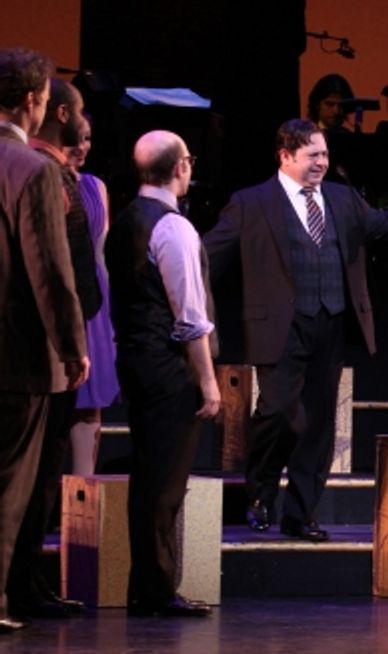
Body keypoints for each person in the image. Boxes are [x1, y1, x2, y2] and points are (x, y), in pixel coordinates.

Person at [205, 119, 388, 542]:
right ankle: (260, 492)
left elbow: (387, 224)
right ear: (286, 157)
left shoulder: (342, 198)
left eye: (325, 153)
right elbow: (208, 255)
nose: (322, 162)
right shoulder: (251, 203)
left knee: (319, 423)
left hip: (331, 322)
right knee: (278, 413)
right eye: (313, 155)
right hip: (280, 326)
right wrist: (169, 267)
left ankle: (300, 513)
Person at [107, 130, 218, 617]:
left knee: (150, 477)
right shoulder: (173, 227)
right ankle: (154, 590)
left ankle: (147, 587)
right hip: (168, 367)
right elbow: (190, 316)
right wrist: (209, 381)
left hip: (135, 358)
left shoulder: (126, 218)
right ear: (180, 168)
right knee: (165, 484)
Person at [0, 47, 89, 635]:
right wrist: (72, 346)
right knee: (9, 485)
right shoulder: (32, 170)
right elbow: (51, 273)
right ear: (33, 101)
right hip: (16, 356)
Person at [67, 117, 119, 475]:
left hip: (95, 299)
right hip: (61, 293)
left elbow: (102, 252)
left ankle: (82, 488)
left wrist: (109, 314)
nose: (82, 146)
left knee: (90, 404)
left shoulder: (95, 186)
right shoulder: (43, 178)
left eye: (87, 138)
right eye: (76, 138)